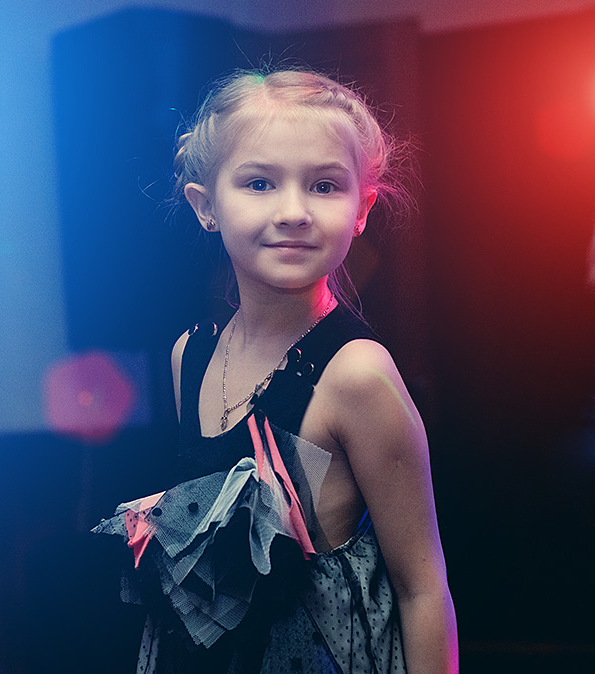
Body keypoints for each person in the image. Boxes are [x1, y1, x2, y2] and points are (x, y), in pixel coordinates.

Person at [94, 67, 457, 674]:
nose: (293, 212)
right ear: (206, 207)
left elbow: (422, 591)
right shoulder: (191, 356)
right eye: (259, 183)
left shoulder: (356, 375)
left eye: (324, 186)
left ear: (362, 209)